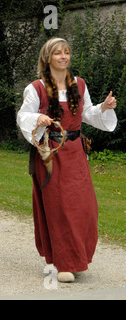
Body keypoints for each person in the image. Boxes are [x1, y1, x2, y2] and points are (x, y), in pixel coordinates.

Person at [17, 38, 117, 283]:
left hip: (75, 153)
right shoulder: (36, 88)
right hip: (50, 153)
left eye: (67, 52)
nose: (63, 57)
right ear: (48, 58)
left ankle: (75, 257)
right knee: (58, 208)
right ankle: (62, 263)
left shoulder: (79, 85)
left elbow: (87, 114)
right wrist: (38, 119)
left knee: (85, 207)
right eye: (58, 53)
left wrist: (104, 107)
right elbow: (23, 115)